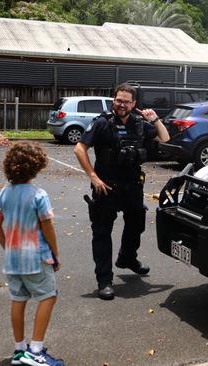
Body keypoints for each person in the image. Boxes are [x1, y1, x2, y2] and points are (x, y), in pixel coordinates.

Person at [74, 83, 169, 300]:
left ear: (134, 104)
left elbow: (165, 138)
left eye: (126, 101)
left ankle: (127, 258)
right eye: (118, 100)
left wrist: (154, 119)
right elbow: (80, 149)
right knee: (102, 234)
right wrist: (93, 177)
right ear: (114, 100)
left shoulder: (140, 125)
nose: (121, 105)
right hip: (106, 187)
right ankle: (104, 280)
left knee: (137, 222)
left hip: (132, 186)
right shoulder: (102, 123)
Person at [0, 142, 64, 366]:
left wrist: (8, 246)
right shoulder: (38, 194)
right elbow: (47, 227)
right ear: (36, 166)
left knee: (18, 299)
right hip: (36, 256)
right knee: (48, 296)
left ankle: (19, 349)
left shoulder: (4, 192)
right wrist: (55, 253)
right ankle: (36, 349)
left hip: (13, 259)